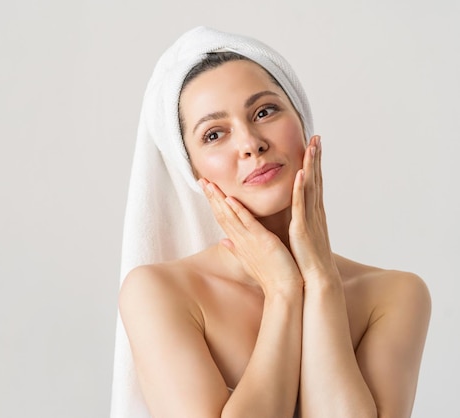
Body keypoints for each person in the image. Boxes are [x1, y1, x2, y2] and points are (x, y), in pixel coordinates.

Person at [110, 26, 430, 418]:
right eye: (214, 134)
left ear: (303, 119)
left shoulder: (394, 294)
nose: (250, 143)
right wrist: (283, 290)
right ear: (190, 169)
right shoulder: (159, 293)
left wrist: (321, 281)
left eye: (264, 111)